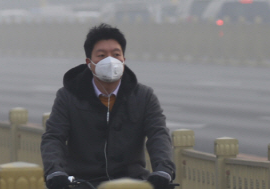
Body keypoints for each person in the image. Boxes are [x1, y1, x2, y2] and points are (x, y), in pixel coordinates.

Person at [41, 23, 175, 189]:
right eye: (101, 55)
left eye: (116, 54)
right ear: (89, 62)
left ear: (124, 60)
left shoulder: (144, 96)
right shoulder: (68, 96)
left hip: (133, 182)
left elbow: (158, 134)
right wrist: (54, 171)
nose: (110, 61)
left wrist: (163, 170)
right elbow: (54, 137)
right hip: (83, 182)